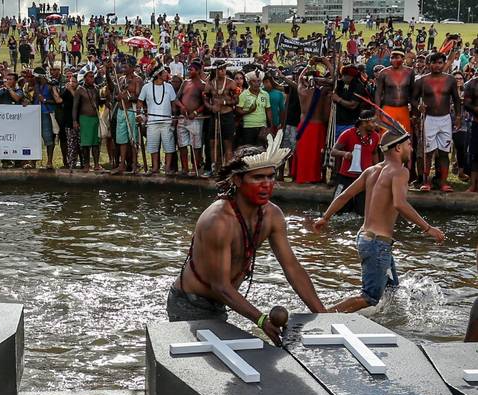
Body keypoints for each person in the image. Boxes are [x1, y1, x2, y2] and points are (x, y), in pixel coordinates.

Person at [167, 133, 328, 344]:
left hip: (221, 302)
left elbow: (292, 268)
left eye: (271, 177)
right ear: (237, 180)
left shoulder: (273, 215)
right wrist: (261, 320)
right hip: (190, 304)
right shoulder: (218, 220)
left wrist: (324, 317)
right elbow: (221, 286)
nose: (267, 184)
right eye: (258, 177)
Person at [314, 117, 445, 312]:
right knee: (370, 297)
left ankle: (389, 323)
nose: (410, 149)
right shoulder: (399, 172)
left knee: (392, 290)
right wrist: (428, 228)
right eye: (409, 145)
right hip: (377, 244)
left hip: (365, 238)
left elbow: (345, 195)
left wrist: (325, 217)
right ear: (398, 148)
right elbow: (400, 204)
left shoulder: (371, 170)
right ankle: (323, 315)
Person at [412, 52, 460, 192]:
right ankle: (427, 182)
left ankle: (443, 182)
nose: (437, 66)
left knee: (444, 152)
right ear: (428, 64)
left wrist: (458, 117)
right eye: (434, 62)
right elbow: (413, 99)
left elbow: (456, 99)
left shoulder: (450, 80)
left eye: (440, 62)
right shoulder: (421, 81)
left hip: (445, 119)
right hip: (429, 119)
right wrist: (418, 106)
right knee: (428, 151)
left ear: (444, 63)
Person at [329, 110, 381, 216]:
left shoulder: (376, 136)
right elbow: (333, 151)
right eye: (373, 122)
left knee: (362, 212)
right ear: (364, 123)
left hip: (364, 178)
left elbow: (374, 153)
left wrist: (377, 170)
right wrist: (345, 154)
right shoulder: (348, 134)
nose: (375, 125)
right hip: (345, 177)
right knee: (337, 211)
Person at [138, 64, 177, 175]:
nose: (167, 74)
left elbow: (173, 103)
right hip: (152, 122)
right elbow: (140, 102)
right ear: (158, 75)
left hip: (167, 122)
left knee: (169, 146)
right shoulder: (147, 87)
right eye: (164, 72)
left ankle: (167, 168)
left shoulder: (169, 87)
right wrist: (140, 115)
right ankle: (155, 168)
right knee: (153, 146)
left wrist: (174, 116)